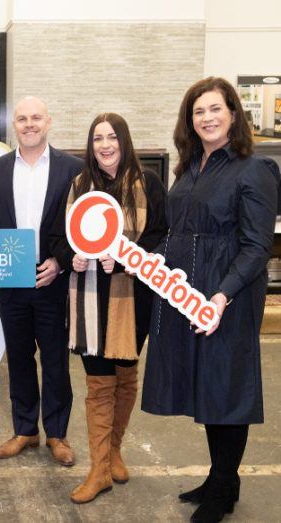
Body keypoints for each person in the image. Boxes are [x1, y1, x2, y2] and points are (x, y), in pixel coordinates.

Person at [141, 77, 280, 522]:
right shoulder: (188, 169)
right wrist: (144, 262)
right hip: (186, 296)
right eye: (198, 111)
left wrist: (221, 295)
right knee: (205, 387)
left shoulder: (253, 168)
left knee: (225, 389)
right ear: (190, 121)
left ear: (234, 114)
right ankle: (222, 477)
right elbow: (176, 235)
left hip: (227, 299)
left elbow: (257, 246)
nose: (207, 118)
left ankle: (223, 488)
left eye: (215, 109)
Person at [49, 113, 167, 503]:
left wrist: (124, 260)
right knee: (99, 385)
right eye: (97, 138)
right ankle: (99, 470)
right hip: (88, 299)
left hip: (133, 299)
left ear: (124, 140)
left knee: (125, 377)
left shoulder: (147, 182)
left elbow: (161, 238)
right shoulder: (79, 185)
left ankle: (114, 449)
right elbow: (58, 236)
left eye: (111, 137)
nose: (104, 144)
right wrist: (71, 258)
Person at [0, 96, 83, 465]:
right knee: (19, 359)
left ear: (49, 121)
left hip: (51, 279)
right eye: (22, 119)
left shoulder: (73, 170)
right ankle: (25, 430)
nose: (29, 124)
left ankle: (57, 434)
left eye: (36, 117)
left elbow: (80, 228)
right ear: (14, 125)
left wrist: (60, 262)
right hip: (10, 281)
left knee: (55, 361)